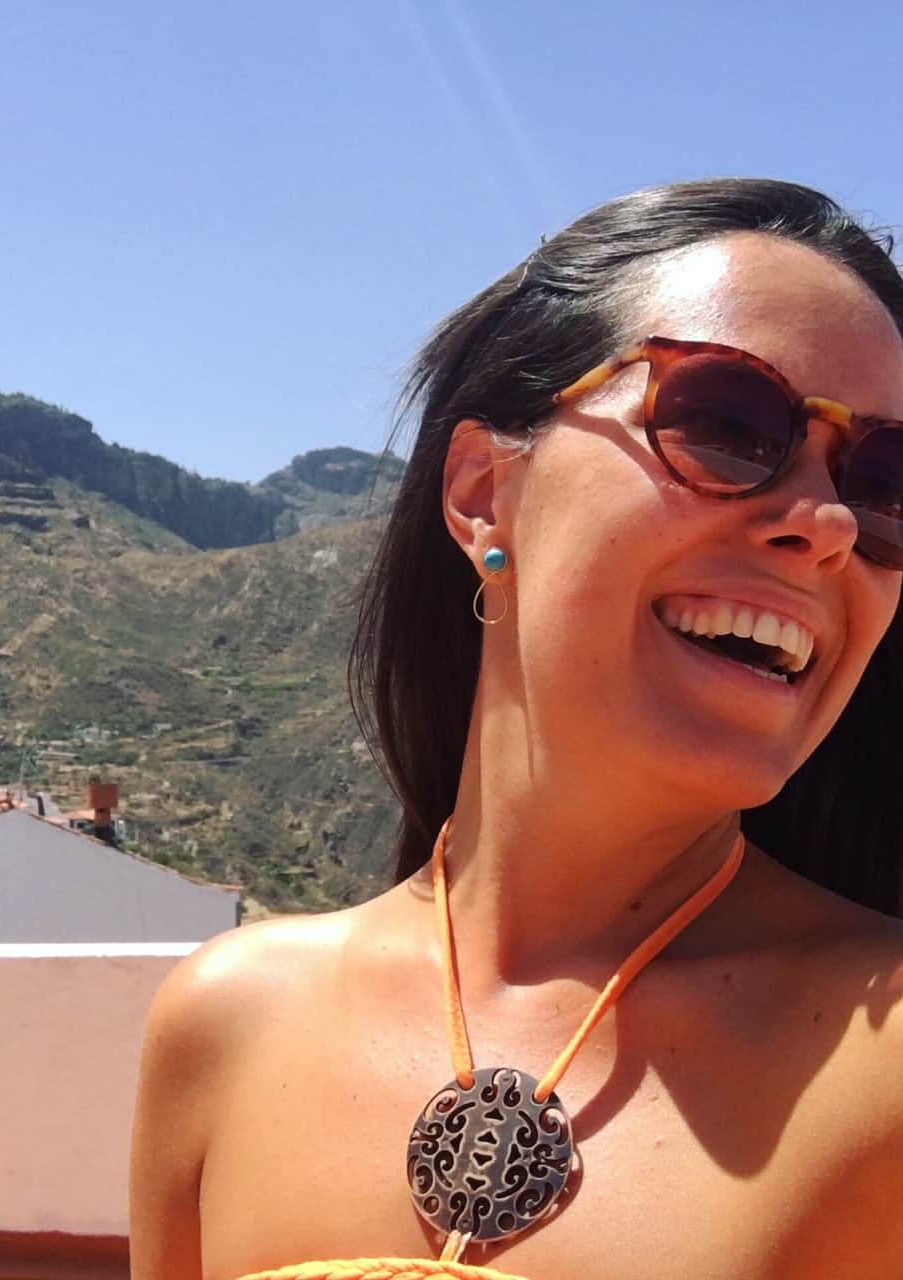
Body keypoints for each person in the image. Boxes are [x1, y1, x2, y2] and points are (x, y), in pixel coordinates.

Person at [129, 179, 903, 1280]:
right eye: (729, 424)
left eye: (884, 484)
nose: (825, 524)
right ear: (484, 493)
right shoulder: (225, 1025)